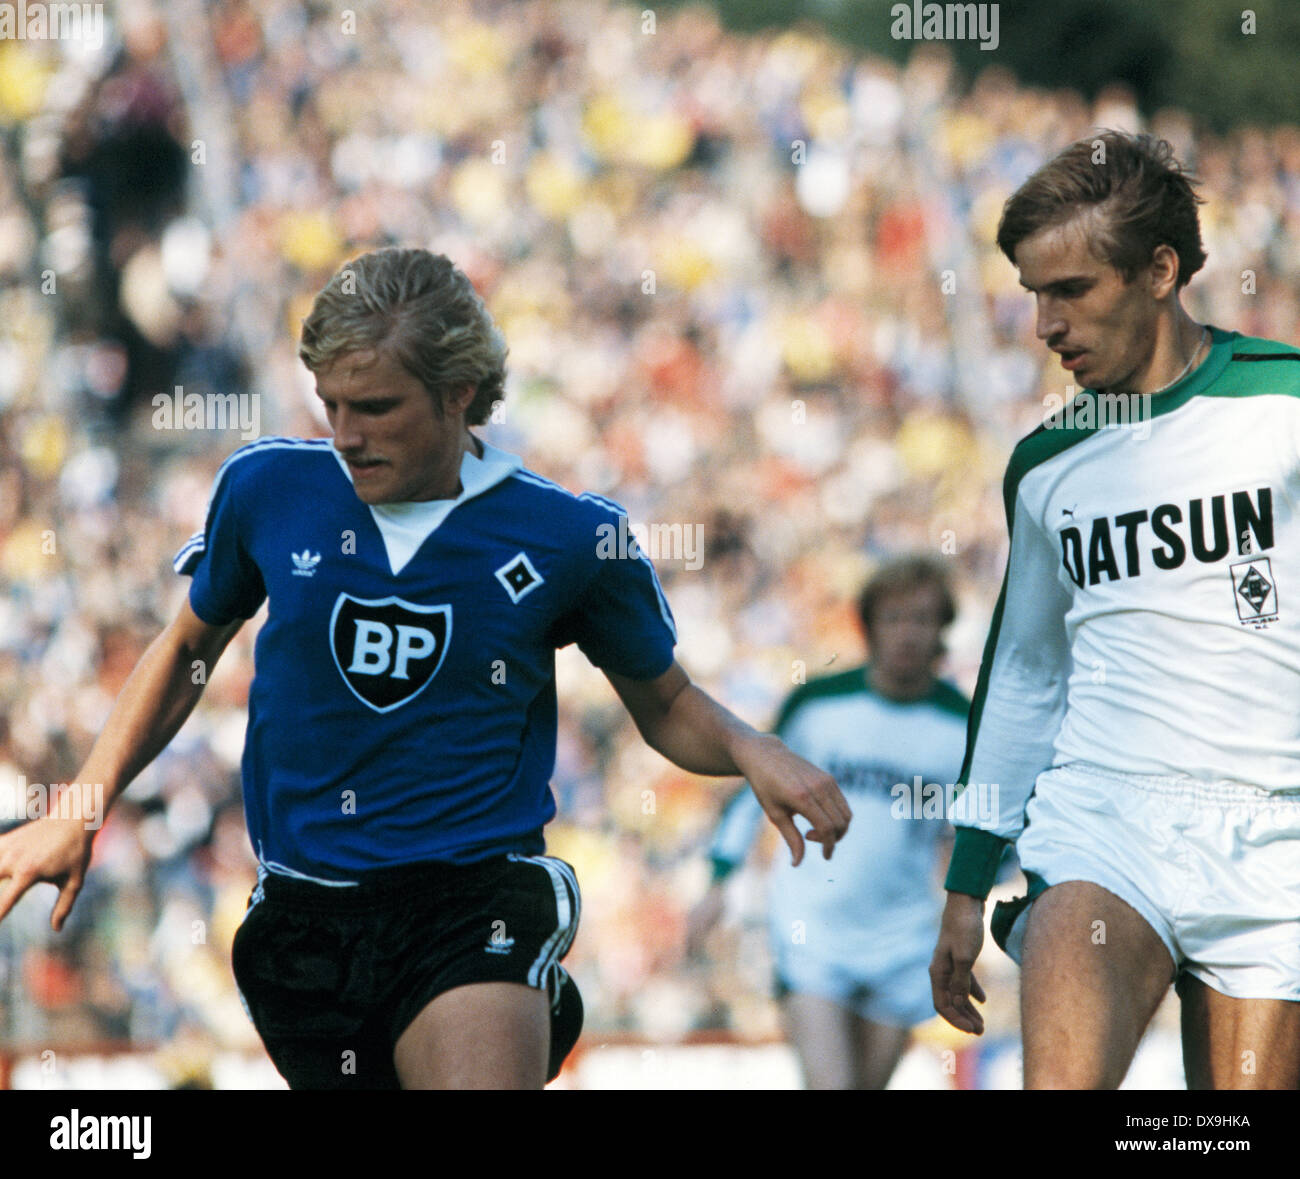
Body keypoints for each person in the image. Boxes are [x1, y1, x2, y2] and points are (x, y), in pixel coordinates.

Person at [0, 247, 850, 1090]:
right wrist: (83, 803)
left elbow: (665, 702)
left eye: (374, 406)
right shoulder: (269, 489)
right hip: (306, 919)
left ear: (459, 394)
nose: (345, 435)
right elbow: (187, 648)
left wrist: (749, 748)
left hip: (474, 897)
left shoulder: (568, 538)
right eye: (329, 404)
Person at [929, 130, 1300, 1089]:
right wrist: (968, 879)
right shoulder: (1046, 466)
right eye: (1034, 296)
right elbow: (1023, 673)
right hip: (1108, 818)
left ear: (1161, 271)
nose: (1047, 326)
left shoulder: (1285, 403)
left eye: (1072, 292)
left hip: (1274, 834)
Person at [694, 557, 969, 1089]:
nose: (907, 633)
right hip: (812, 930)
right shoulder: (817, 704)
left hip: (905, 935)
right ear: (867, 625)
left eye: (921, 619)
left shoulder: (964, 725)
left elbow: (986, 831)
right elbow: (754, 791)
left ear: (942, 629)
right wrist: (719, 880)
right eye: (893, 618)